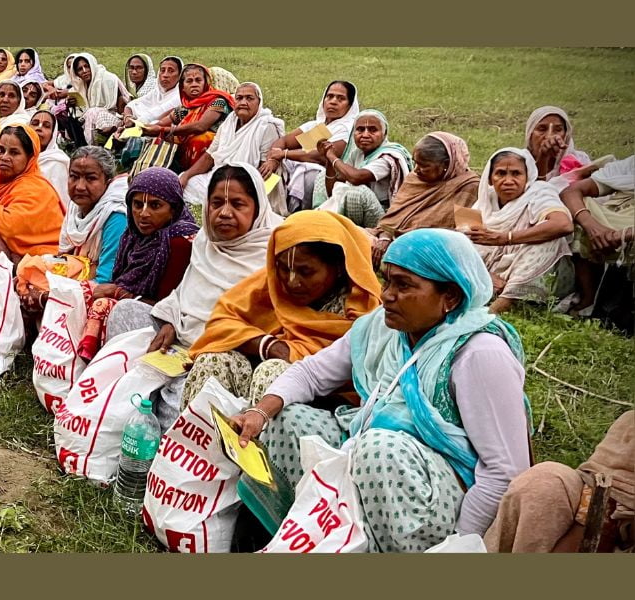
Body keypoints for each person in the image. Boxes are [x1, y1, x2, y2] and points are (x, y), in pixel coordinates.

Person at [238, 228, 531, 552]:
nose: (386, 295)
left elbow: (505, 472)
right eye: (387, 280)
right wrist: (260, 410)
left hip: (441, 494)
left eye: (403, 285)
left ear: (451, 296)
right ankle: (301, 537)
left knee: (378, 448)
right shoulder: (382, 327)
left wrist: (459, 543)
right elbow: (311, 372)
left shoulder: (479, 353)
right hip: (374, 462)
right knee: (288, 419)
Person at [105, 163, 282, 429]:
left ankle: (143, 406)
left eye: (237, 204)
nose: (224, 213)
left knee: (174, 414)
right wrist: (170, 321)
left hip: (219, 355)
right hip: (178, 339)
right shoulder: (205, 241)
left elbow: (256, 328)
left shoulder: (272, 251)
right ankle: (132, 398)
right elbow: (184, 291)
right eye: (216, 203)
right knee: (125, 312)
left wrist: (202, 346)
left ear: (257, 208)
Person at [180, 210, 381, 411]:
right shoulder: (270, 284)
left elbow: (342, 372)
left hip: (318, 406)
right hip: (252, 374)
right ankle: (195, 439)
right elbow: (221, 323)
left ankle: (252, 440)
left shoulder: (361, 309)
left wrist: (286, 359)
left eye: (305, 272)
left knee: (275, 373)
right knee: (213, 362)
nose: (292, 281)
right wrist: (269, 346)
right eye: (284, 268)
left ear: (338, 268)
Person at [76, 167, 200, 360]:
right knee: (79, 294)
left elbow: (168, 305)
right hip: (140, 306)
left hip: (171, 326)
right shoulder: (133, 236)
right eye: (137, 204)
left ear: (173, 209)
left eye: (155, 205)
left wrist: (118, 293)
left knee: (108, 305)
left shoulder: (180, 242)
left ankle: (97, 361)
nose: (143, 213)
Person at [485, 410, 633, 553]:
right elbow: (597, 478)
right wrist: (591, 511)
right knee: (545, 481)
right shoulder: (629, 423)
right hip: (591, 505)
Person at [467, 148, 574, 314]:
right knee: (459, 244)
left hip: (538, 271)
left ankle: (501, 305)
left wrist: (505, 238)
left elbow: (563, 224)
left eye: (516, 174)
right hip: (494, 273)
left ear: (528, 176)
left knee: (549, 239)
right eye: (501, 173)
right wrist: (486, 275)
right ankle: (486, 289)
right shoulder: (484, 199)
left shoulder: (540, 192)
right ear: (489, 178)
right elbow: (461, 243)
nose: (508, 180)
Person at [0, 124, 65, 277]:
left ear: (30, 158)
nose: (4, 157)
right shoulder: (2, 182)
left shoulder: (36, 188)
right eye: (1, 150)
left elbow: (11, 226)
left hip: (41, 259)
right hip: (17, 253)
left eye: (14, 152)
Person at [369, 132, 480, 268]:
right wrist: (385, 237)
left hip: (428, 253)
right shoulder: (414, 179)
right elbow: (392, 219)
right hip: (391, 241)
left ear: (446, 164)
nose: (416, 170)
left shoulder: (469, 187)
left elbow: (468, 237)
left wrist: (406, 242)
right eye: (415, 163)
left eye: (424, 166)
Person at [179, 82, 287, 215]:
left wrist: (240, 187)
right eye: (239, 98)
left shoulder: (266, 126)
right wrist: (186, 175)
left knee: (236, 197)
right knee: (186, 182)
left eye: (249, 98)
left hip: (247, 184)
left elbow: (265, 169)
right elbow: (210, 156)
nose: (243, 102)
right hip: (220, 176)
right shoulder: (229, 122)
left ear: (259, 102)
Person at [265, 80, 360, 212]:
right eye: (330, 96)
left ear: (350, 106)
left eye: (341, 98)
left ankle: (299, 215)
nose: (333, 101)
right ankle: (270, 209)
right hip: (301, 170)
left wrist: (284, 154)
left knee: (309, 175)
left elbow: (320, 155)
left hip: (330, 180)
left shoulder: (346, 128)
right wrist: (273, 160)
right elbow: (285, 141)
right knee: (271, 167)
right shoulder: (320, 127)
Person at [559, 155, 634, 315]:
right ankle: (588, 297)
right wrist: (592, 227)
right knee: (572, 211)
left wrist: (623, 235)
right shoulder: (630, 166)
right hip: (616, 222)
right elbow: (571, 191)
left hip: (626, 230)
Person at [314, 109, 413, 227]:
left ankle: (352, 233)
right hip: (359, 208)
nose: (365, 135)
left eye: (373, 130)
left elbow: (356, 177)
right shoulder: (357, 154)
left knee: (356, 192)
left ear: (384, 134)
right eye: (360, 130)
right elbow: (334, 189)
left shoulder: (388, 156)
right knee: (322, 175)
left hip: (384, 218)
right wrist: (329, 160)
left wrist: (332, 156)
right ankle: (319, 219)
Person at [141, 64, 235, 171]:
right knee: (160, 139)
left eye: (198, 80)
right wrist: (138, 127)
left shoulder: (217, 101)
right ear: (183, 87)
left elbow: (201, 126)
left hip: (216, 152)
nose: (194, 84)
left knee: (203, 138)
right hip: (187, 152)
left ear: (205, 84)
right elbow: (160, 124)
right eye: (189, 81)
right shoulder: (185, 108)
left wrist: (166, 130)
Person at [56, 146, 129, 284]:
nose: (80, 186)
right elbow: (62, 260)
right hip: (75, 282)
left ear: (107, 182)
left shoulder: (115, 217)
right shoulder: (74, 207)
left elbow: (105, 280)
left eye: (90, 178)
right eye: (74, 177)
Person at [72, 53, 130, 144]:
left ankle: (91, 147)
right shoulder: (81, 85)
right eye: (80, 69)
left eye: (87, 66)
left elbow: (123, 105)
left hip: (116, 119)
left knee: (93, 112)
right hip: (92, 120)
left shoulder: (108, 79)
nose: (84, 71)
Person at [525, 106, 590, 182]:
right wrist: (543, 158)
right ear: (530, 134)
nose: (549, 136)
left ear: (566, 135)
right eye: (542, 129)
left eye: (558, 130)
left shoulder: (580, 160)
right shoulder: (519, 162)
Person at [121, 55, 182, 125]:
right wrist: (128, 117)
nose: (165, 75)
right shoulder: (156, 92)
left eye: (171, 71)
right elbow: (131, 105)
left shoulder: (179, 97)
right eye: (162, 70)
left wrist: (135, 123)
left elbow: (154, 115)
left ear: (180, 75)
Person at [30, 110, 71, 208]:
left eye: (46, 126)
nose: (39, 128)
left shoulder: (56, 163)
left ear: (53, 134)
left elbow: (60, 202)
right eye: (35, 124)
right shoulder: (17, 157)